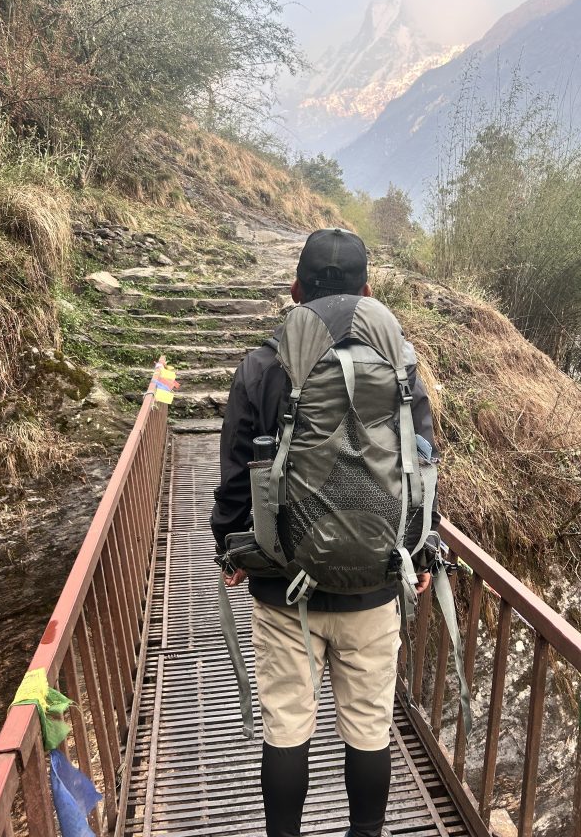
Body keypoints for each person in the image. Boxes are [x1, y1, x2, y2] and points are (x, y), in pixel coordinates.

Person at [211, 228, 437, 837]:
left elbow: (236, 479)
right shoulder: (399, 364)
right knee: (368, 726)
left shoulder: (263, 365)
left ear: (295, 289)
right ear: (367, 292)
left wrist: (229, 548)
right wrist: (419, 553)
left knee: (287, 723)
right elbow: (420, 467)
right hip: (375, 586)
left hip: (285, 587)